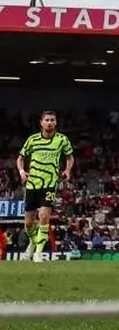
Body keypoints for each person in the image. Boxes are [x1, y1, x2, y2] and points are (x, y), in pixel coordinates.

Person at [16, 110, 74, 262]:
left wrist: (68, 169)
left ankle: (38, 253)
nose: (49, 122)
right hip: (32, 184)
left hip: (49, 184)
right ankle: (32, 243)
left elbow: (69, 157)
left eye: (52, 120)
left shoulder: (62, 140)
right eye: (47, 120)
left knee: (43, 217)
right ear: (41, 122)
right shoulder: (32, 140)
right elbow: (20, 158)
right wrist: (22, 172)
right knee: (28, 223)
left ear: (56, 122)